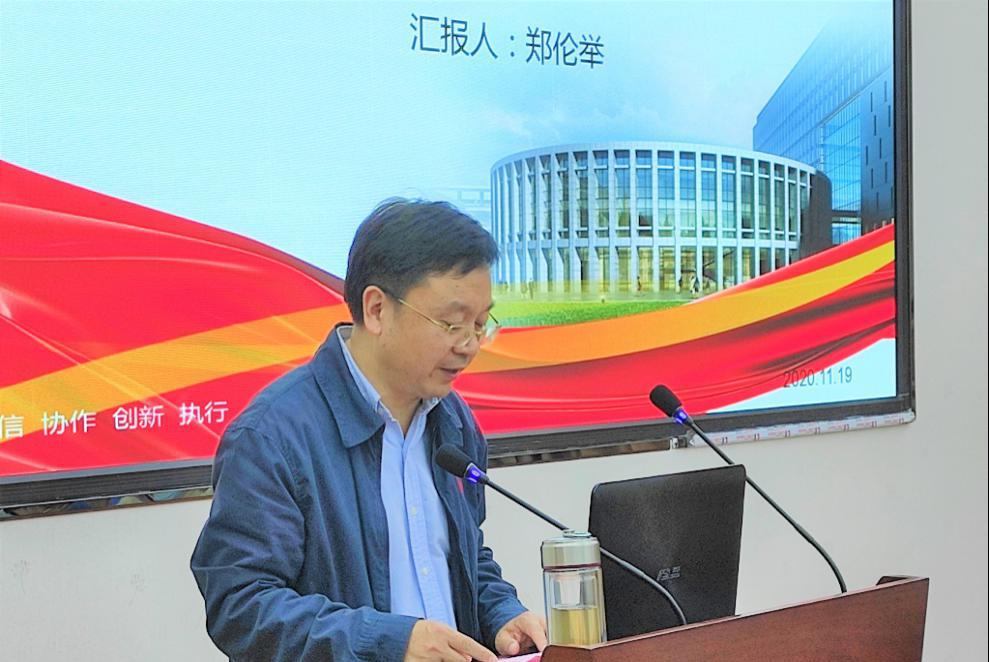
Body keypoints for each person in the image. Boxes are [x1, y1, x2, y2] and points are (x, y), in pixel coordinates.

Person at [191, 199, 547, 661]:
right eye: (452, 323)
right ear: (377, 309)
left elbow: (464, 558)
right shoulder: (273, 437)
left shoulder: (454, 422)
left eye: (480, 324)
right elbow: (241, 606)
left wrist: (501, 614)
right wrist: (388, 643)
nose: (469, 345)